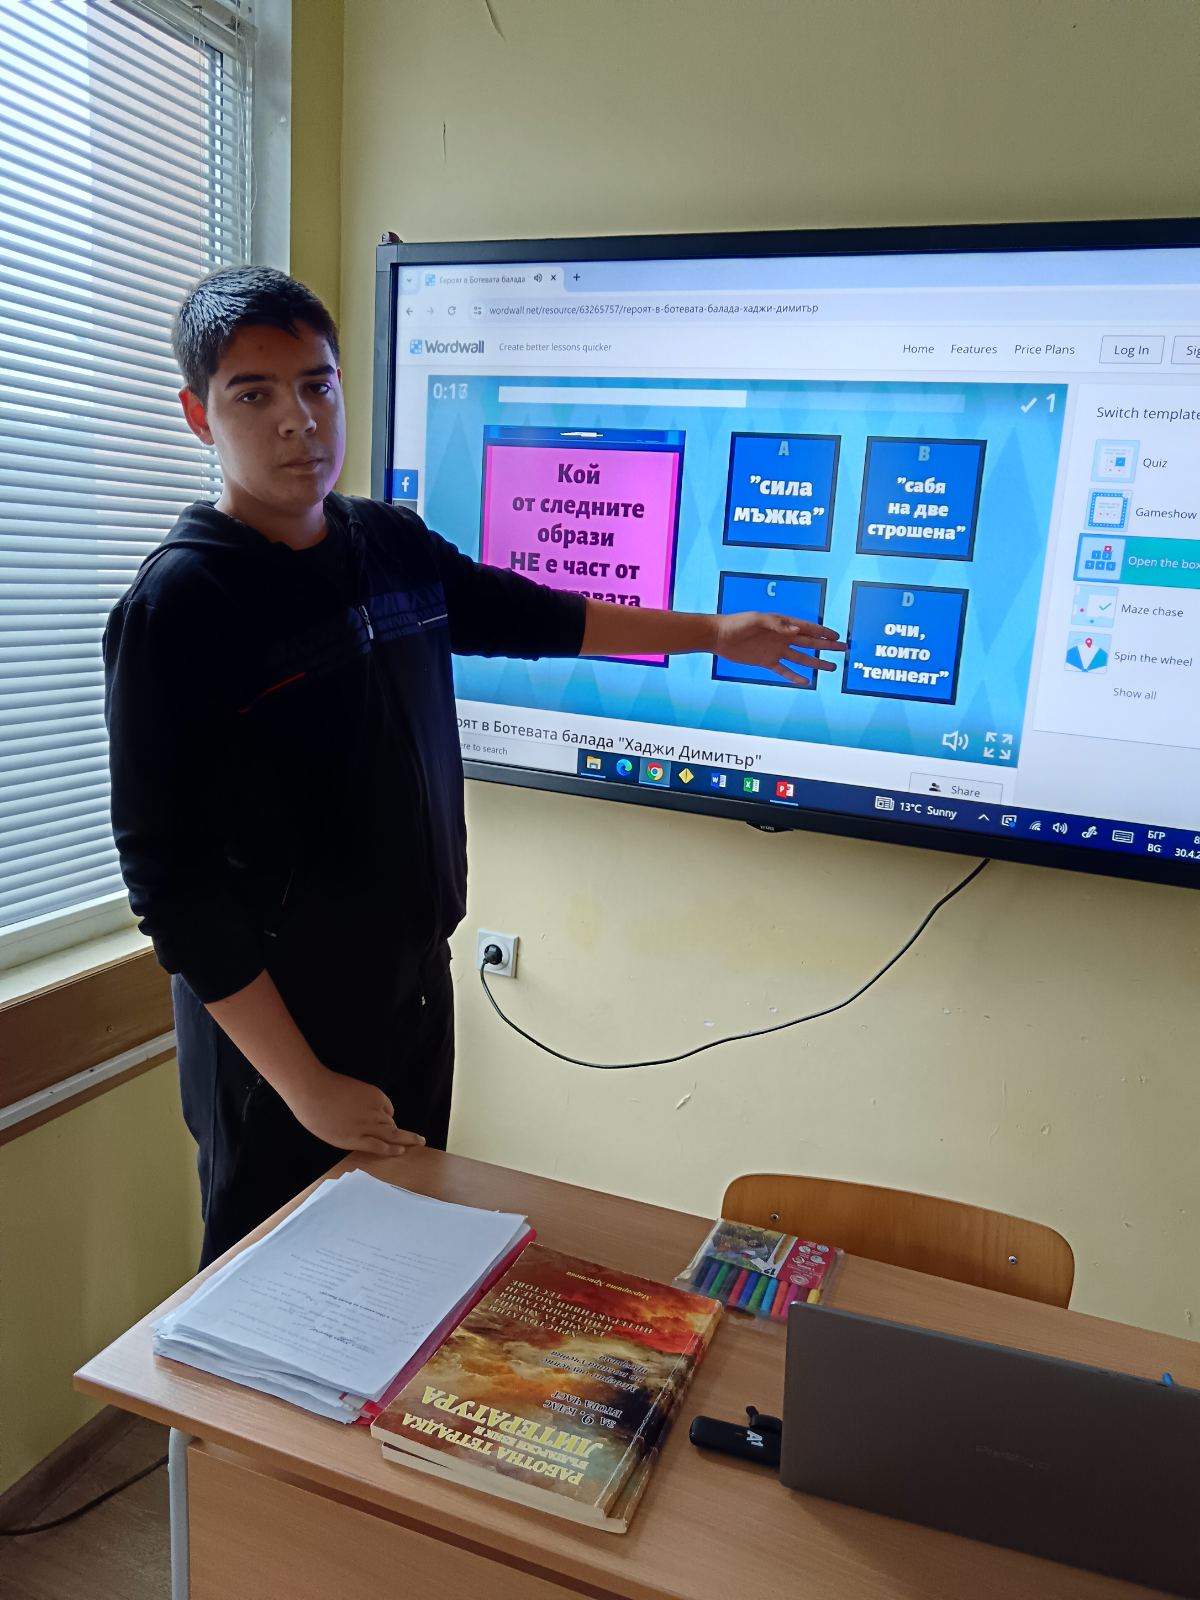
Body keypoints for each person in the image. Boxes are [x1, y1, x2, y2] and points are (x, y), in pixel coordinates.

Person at [102, 266, 844, 1267]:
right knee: (273, 1293)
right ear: (200, 415)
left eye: (317, 386)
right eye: (254, 394)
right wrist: (306, 1085)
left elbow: (529, 615)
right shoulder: (181, 605)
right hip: (280, 1038)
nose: (298, 421)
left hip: (412, 993)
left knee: (399, 1256)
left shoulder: (385, 542)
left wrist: (713, 632)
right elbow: (171, 885)